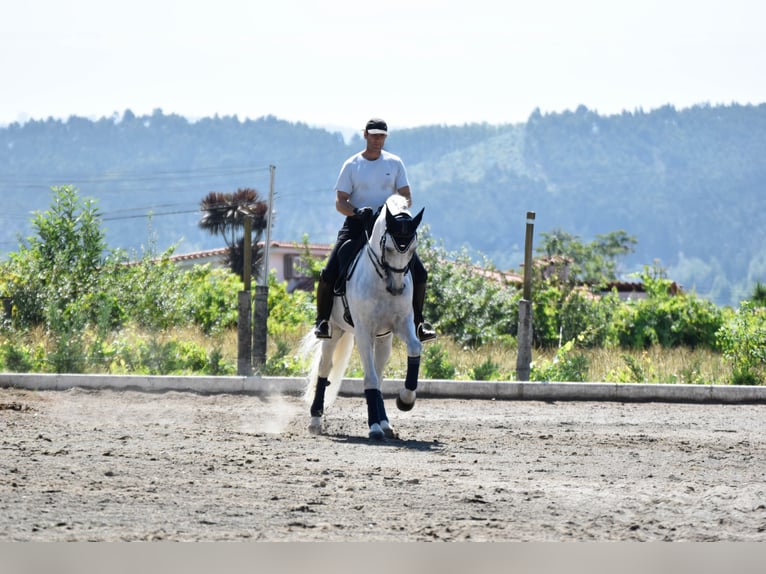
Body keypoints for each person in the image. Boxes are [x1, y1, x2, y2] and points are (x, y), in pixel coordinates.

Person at [314, 118, 437, 342]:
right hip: (357, 224)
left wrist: (391, 207)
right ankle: (322, 321)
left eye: (381, 136)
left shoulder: (395, 163)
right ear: (366, 135)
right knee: (329, 271)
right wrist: (357, 211)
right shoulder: (352, 165)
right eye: (374, 135)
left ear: (385, 138)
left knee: (420, 272)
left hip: (388, 227)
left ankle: (419, 323)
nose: (378, 139)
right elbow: (340, 201)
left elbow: (407, 197)